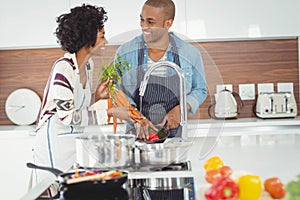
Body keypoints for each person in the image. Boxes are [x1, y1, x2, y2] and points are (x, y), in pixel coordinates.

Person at [32, 4, 140, 192]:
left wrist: (96, 97)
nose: (105, 41)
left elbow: (78, 108)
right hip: (55, 140)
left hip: (72, 138)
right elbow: (67, 116)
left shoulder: (86, 67)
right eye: (102, 35)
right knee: (55, 189)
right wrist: (110, 112)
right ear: (88, 37)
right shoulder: (63, 69)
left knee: (74, 189)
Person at [114, 0, 207, 139]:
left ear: (168, 23)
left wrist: (180, 109)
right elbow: (114, 88)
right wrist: (135, 116)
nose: (144, 26)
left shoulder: (189, 53)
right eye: (142, 20)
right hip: (136, 136)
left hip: (176, 138)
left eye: (150, 22)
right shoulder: (125, 52)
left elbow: (200, 89)